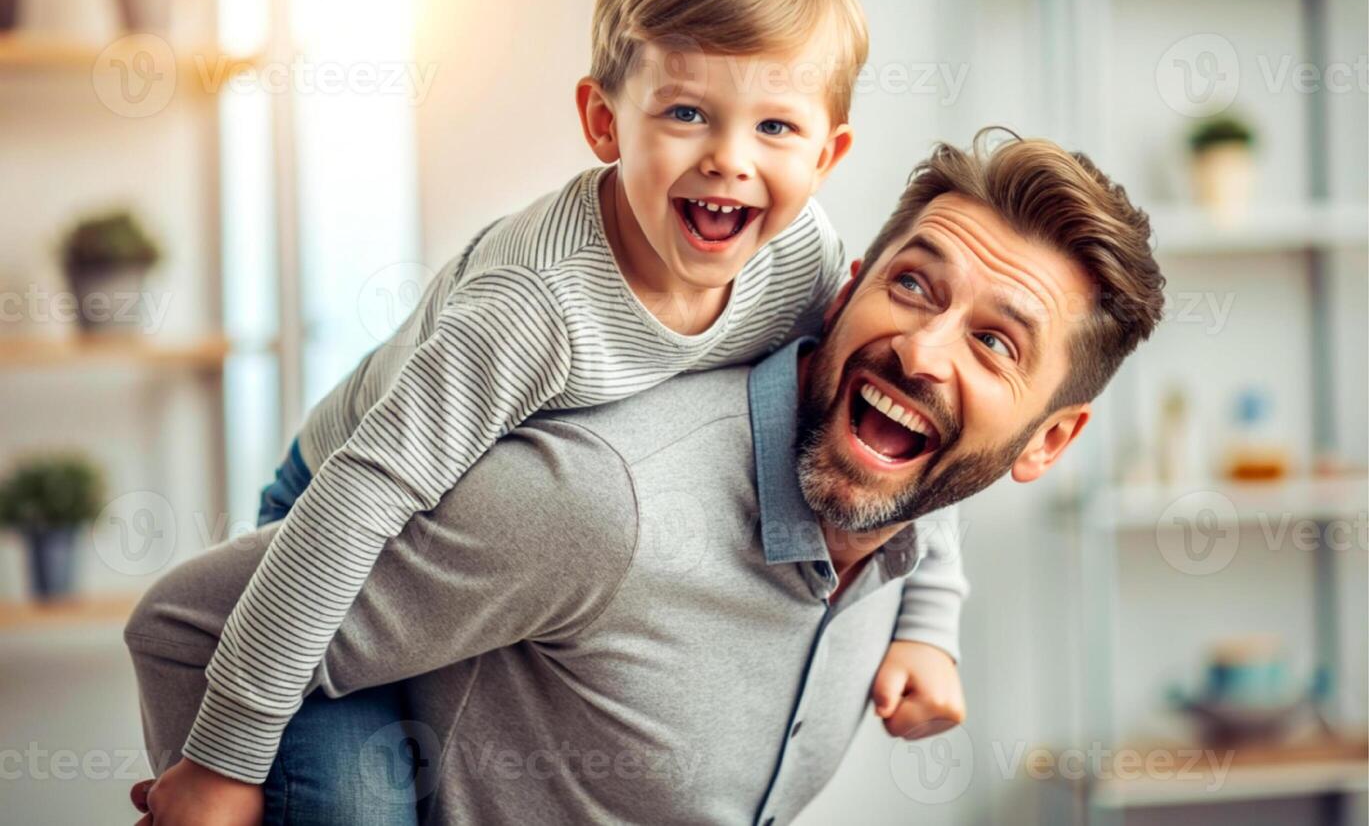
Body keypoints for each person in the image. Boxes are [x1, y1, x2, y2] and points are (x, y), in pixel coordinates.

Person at [131, 0, 972, 823]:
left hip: (478, 541)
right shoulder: (537, 309)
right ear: (603, 122)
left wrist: (929, 620)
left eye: (774, 127)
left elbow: (897, 423)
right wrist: (224, 761)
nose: (729, 160)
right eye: (685, 113)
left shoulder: (801, 260)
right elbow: (356, 501)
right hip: (342, 512)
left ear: (826, 155)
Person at [126, 131, 1167, 825]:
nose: (922, 351)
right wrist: (219, 770)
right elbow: (190, 618)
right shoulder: (597, 504)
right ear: (844, 289)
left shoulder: (905, 496)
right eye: (910, 285)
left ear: (1045, 439)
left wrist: (930, 628)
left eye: (996, 344)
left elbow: (932, 497)